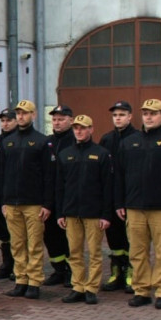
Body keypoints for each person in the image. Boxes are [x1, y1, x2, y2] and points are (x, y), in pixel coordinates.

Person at [115, 99, 161, 310]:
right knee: (137, 253)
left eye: (154, 113)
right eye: (146, 113)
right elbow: (119, 176)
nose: (149, 117)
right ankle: (141, 290)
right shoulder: (129, 143)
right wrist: (119, 202)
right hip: (134, 207)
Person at [0, 100, 54, 299]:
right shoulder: (8, 142)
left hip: (34, 203)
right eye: (19, 113)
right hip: (12, 203)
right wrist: (3, 201)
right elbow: (2, 174)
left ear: (34, 115)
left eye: (25, 113)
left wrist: (47, 203)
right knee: (17, 244)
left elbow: (49, 175)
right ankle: (20, 280)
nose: (21, 116)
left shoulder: (42, 141)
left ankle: (34, 282)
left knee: (34, 245)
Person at [56, 115, 113, 305]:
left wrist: (106, 215)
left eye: (83, 128)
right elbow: (60, 186)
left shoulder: (102, 154)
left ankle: (91, 288)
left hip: (94, 213)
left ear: (91, 129)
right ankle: (78, 286)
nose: (79, 131)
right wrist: (60, 213)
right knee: (74, 252)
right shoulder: (65, 154)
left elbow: (108, 187)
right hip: (71, 212)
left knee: (95, 253)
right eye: (76, 128)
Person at [98, 100, 140, 293]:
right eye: (115, 115)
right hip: (110, 195)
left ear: (130, 116)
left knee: (131, 239)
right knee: (114, 238)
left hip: (130, 196)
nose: (118, 118)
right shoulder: (107, 139)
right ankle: (116, 273)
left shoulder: (137, 139)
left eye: (122, 115)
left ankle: (132, 274)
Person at [43, 105, 75, 287]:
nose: (57, 123)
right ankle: (58, 269)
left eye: (61, 119)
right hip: (50, 197)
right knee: (51, 236)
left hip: (68, 197)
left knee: (68, 236)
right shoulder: (47, 142)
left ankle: (71, 270)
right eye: (54, 119)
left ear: (71, 120)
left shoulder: (75, 141)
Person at [0, 108, 17, 280]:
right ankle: (7, 264)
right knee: (2, 231)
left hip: (14, 193)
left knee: (17, 232)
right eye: (3, 121)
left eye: (9, 120)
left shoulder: (19, 139)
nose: (5, 124)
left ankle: (19, 266)